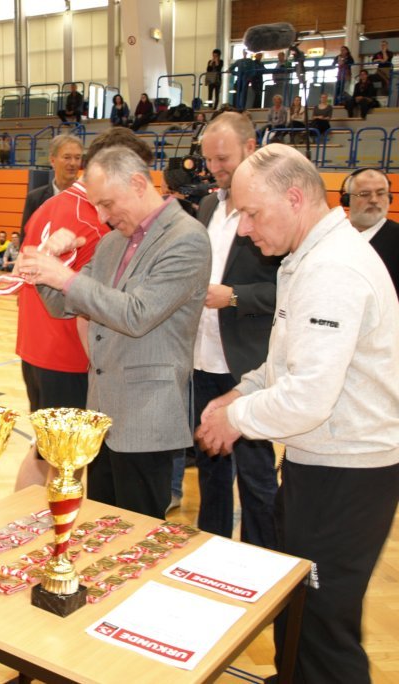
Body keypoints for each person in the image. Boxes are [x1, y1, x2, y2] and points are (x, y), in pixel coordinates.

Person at [196, 144, 399, 684]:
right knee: (299, 610)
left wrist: (235, 419)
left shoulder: (332, 269)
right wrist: (240, 393)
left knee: (323, 627)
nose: (244, 231)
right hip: (322, 464)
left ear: (293, 198)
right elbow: (285, 364)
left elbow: (308, 397)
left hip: (348, 473)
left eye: (252, 214)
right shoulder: (307, 258)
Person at [18, 147, 211, 517]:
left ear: (137, 184)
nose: (102, 216)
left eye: (107, 204)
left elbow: (137, 314)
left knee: (138, 531)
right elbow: (64, 305)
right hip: (102, 414)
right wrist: (44, 266)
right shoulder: (112, 242)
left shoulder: (187, 237)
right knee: (103, 528)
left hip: (145, 416)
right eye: (97, 206)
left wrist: (65, 277)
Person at [11, 133, 124, 491]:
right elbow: (89, 305)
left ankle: (21, 519)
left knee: (43, 450)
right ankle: (56, 522)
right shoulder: (94, 221)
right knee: (68, 462)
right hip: (67, 355)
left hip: (33, 348)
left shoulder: (47, 206)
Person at [191, 112, 280, 548]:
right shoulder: (209, 205)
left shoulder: (273, 210)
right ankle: (211, 548)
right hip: (202, 358)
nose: (214, 168)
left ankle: (265, 558)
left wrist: (234, 297)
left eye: (222, 158)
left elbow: (288, 289)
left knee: (256, 475)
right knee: (210, 465)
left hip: (247, 364)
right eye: (208, 160)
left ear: (250, 148)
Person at [19, 134, 83, 243]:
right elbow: (26, 240)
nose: (73, 163)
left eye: (77, 158)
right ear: (52, 160)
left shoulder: (91, 198)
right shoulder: (35, 198)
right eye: (67, 157)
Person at [345, 168, 399, 293]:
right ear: (347, 199)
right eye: (364, 194)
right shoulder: (333, 236)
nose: (374, 200)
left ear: (389, 198)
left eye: (381, 193)